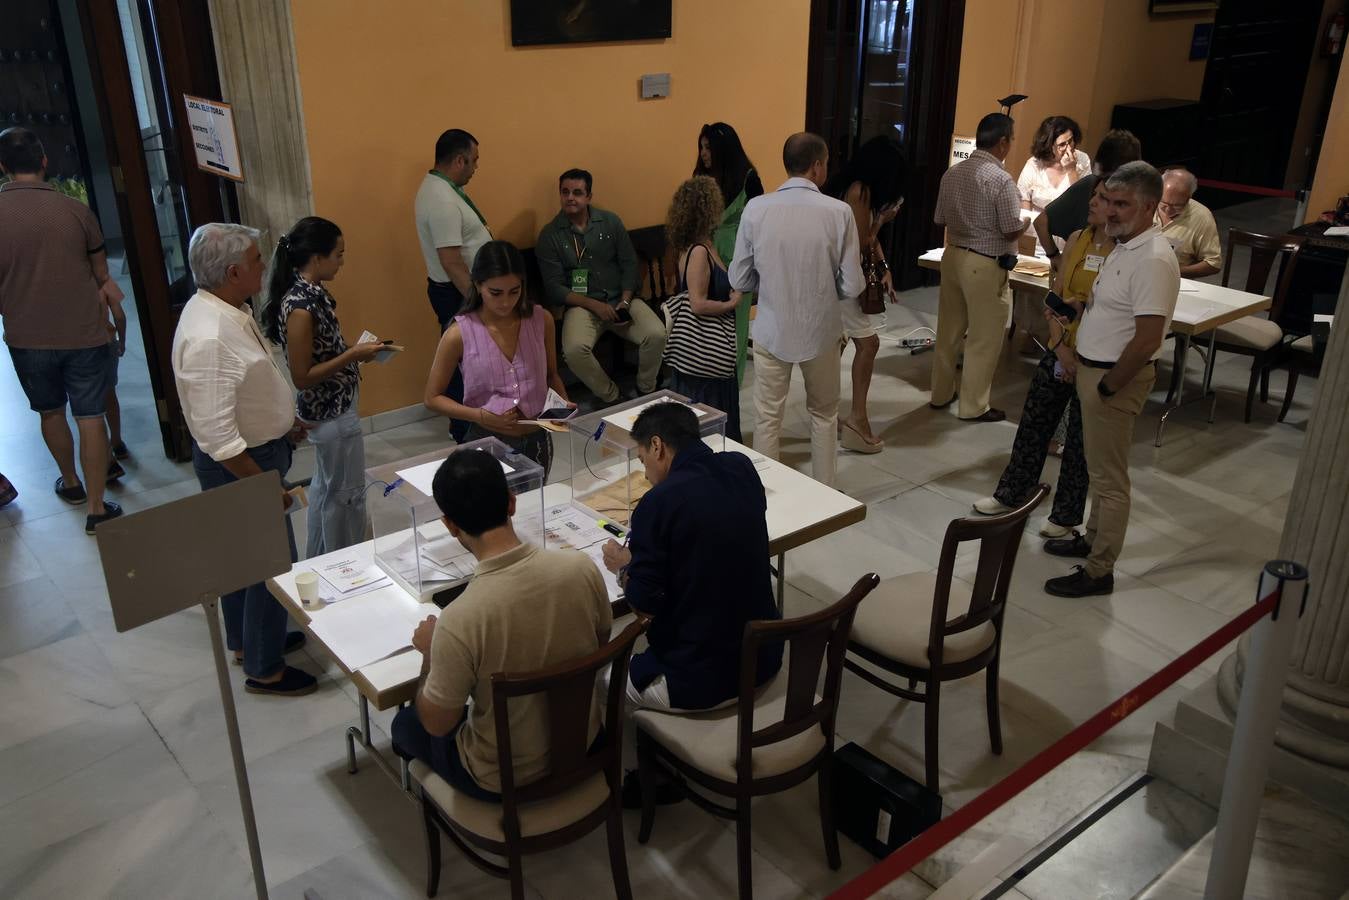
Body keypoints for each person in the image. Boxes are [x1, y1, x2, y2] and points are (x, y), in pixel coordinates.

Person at [391, 448, 611, 800]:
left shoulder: (459, 620)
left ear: (449, 525)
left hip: (502, 778)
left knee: (407, 724)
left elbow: (439, 723)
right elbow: (601, 643)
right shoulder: (580, 569)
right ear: (511, 502)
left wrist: (431, 654)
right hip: (582, 741)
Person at [173, 223, 315, 696]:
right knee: (269, 562)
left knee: (240, 559)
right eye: (257, 260)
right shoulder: (210, 335)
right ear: (233, 271)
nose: (264, 266)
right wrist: (264, 487)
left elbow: (249, 382)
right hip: (239, 465)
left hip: (256, 449)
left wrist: (282, 421)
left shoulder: (228, 308)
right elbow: (217, 435)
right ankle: (265, 666)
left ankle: (245, 641)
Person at [600, 402, 780, 751]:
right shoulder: (741, 467)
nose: (647, 474)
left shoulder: (660, 502)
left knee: (600, 683)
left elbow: (644, 604)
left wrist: (624, 566)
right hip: (764, 655)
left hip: (705, 678)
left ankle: (634, 777)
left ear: (657, 446)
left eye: (642, 462)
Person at [1044, 162, 1179, 598]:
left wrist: (1107, 387)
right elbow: (1114, 309)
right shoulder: (1126, 246)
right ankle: (1091, 538)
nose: (1113, 212)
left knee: (1109, 479)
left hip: (1113, 379)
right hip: (1093, 369)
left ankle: (1100, 571)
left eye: (1123, 204)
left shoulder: (1155, 259)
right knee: (1098, 471)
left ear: (1149, 207)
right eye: (1111, 202)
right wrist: (1076, 310)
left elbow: (1147, 339)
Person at [973, 181, 1117, 538]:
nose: (1092, 202)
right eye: (1094, 196)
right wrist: (1061, 347)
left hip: (1095, 354)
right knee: (1034, 424)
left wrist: (1079, 357)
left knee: (1080, 442)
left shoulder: (1122, 251)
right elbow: (1058, 291)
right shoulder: (1079, 237)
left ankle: (1065, 516)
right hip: (1062, 348)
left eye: (1100, 199)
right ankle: (1011, 493)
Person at [0, 126, 122, 533]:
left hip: (26, 335)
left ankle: (69, 482)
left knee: (50, 411)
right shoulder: (76, 211)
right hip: (84, 332)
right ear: (45, 162)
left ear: (2, 167)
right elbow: (101, 273)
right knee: (90, 416)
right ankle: (95, 507)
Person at [729, 133, 864, 487]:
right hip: (821, 331)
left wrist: (771, 279)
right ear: (818, 166)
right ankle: (825, 494)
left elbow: (739, 278)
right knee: (823, 414)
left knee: (767, 417)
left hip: (772, 328)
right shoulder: (839, 213)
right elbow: (852, 285)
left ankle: (766, 497)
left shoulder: (756, 208)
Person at [264, 216, 385, 557]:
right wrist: (352, 356)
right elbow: (302, 375)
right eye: (338, 254)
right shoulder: (301, 307)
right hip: (331, 414)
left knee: (326, 489)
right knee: (343, 495)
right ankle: (343, 562)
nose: (342, 262)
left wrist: (357, 352)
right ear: (317, 258)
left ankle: (320, 559)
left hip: (338, 405)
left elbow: (326, 347)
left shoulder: (313, 295)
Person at [425, 241, 573, 476]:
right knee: (490, 509)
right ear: (478, 285)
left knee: (534, 507)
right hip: (487, 441)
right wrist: (479, 415)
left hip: (537, 438)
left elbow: (551, 375)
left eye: (514, 291)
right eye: (495, 293)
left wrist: (562, 405)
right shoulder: (459, 333)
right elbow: (432, 398)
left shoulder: (540, 319)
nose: (505, 302)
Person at [930, 113, 1028, 423]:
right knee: (984, 338)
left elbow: (939, 220)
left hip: (954, 255)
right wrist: (1026, 222)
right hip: (985, 263)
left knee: (948, 331)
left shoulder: (952, 173)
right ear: (1002, 142)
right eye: (1011, 140)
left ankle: (941, 394)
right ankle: (974, 406)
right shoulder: (1001, 179)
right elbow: (1011, 229)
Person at [537, 168, 664, 405]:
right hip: (582, 306)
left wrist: (625, 301)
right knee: (574, 350)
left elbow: (629, 265)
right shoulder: (551, 235)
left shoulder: (610, 222)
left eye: (577, 192)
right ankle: (611, 395)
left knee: (656, 334)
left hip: (621, 299)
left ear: (589, 196)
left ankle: (646, 388)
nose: (570, 198)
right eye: (565, 192)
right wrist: (594, 305)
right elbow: (554, 288)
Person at [824, 135, 906, 452]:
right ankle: (856, 420)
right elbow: (859, 242)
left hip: (844, 278)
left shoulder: (859, 190)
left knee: (840, 345)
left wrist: (884, 267)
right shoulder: (859, 192)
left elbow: (868, 241)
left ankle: (835, 413)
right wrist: (882, 221)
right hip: (844, 281)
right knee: (867, 344)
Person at [414, 128, 489, 442]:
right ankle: (464, 431)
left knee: (465, 360)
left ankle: (465, 425)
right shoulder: (442, 200)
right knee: (463, 363)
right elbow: (451, 260)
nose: (475, 168)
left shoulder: (438, 188)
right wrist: (478, 299)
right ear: (459, 160)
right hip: (458, 292)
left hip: (457, 290)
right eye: (473, 161)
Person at [662, 176, 744, 441]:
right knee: (710, 428)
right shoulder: (699, 251)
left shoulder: (697, 246)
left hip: (701, 360)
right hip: (705, 359)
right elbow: (697, 303)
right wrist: (730, 303)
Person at [693, 122, 764, 384]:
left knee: (735, 317)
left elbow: (759, 219)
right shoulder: (701, 178)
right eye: (701, 147)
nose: (703, 153)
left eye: (708, 148)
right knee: (707, 313)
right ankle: (706, 370)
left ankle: (730, 377)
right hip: (704, 249)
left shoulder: (747, 177)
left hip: (737, 250)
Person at [1035, 129, 1142, 271]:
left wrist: (1055, 256)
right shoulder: (1079, 236)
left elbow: (1041, 222)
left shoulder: (1089, 184)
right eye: (1100, 195)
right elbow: (1041, 222)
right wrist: (1055, 257)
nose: (1093, 202)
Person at [1018, 116, 1091, 241]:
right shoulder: (1034, 164)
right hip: (1035, 234)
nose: (1068, 148)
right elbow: (1025, 200)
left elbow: (1083, 202)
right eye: (1062, 145)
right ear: (1049, 145)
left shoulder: (1082, 160)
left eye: (1071, 141)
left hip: (1067, 234)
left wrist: (1071, 170)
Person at [1156, 168, 1222, 278]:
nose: (1168, 211)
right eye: (1164, 204)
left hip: (1176, 280)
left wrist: (1175, 271)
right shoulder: (1145, 204)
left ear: (1189, 197)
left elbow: (1213, 263)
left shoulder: (1202, 217)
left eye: (1177, 206)